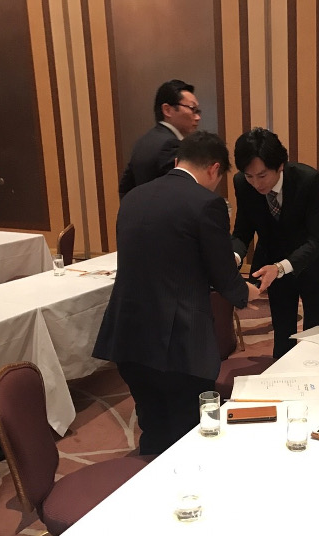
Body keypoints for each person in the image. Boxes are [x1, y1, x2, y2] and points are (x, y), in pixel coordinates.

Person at [94, 131, 259, 455]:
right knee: (190, 430)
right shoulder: (206, 203)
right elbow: (221, 271)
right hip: (180, 341)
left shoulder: (133, 198)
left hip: (129, 334)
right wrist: (244, 294)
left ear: (176, 161)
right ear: (214, 168)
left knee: (153, 423)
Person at [231, 127, 319, 359]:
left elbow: (317, 237)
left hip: (312, 263)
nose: (256, 183)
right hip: (273, 264)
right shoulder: (242, 184)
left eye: (262, 175)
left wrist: (282, 267)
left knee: (315, 335)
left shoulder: (308, 180)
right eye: (249, 176)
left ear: (280, 165)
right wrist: (233, 257)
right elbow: (243, 230)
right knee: (283, 335)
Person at [117, 79, 201, 199]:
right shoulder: (170, 145)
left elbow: (125, 188)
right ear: (167, 110)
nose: (197, 117)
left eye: (198, 111)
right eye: (192, 108)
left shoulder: (143, 141)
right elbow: (182, 193)